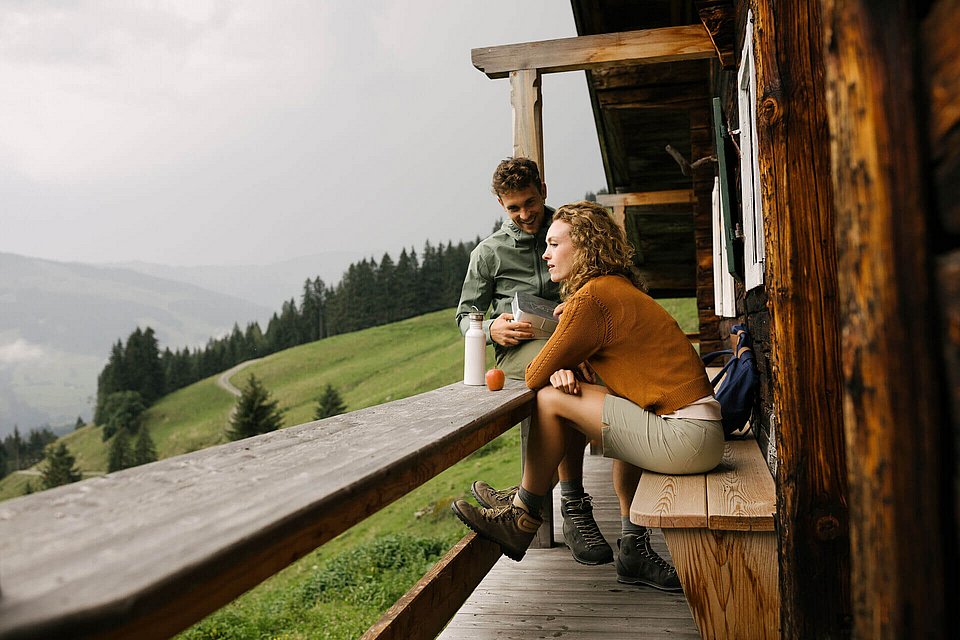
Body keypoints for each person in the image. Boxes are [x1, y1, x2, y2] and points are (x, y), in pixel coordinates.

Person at [452, 200, 724, 591]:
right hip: (698, 433)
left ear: (583, 245)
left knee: (549, 399)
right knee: (607, 400)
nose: (545, 254)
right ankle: (632, 547)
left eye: (554, 244)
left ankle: (522, 514)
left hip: (687, 439)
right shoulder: (614, 288)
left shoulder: (591, 300)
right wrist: (572, 354)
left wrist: (566, 347)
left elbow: (533, 376)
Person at [456, 158, 613, 565]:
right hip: (522, 353)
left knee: (572, 376)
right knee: (562, 380)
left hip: (577, 345)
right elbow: (464, 315)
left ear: (543, 188)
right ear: (500, 204)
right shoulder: (487, 253)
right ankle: (574, 505)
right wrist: (492, 328)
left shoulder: (567, 232)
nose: (525, 214)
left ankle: (524, 502)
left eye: (529, 202)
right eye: (513, 208)